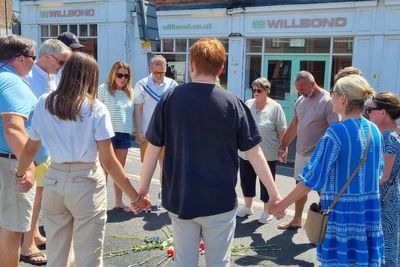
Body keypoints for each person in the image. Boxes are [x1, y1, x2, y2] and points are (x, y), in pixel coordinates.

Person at [137, 38, 283, 267]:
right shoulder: (234, 103)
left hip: (180, 199)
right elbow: (255, 153)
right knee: (218, 262)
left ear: (191, 64)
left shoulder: (170, 99)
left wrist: (143, 190)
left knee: (184, 262)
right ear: (221, 68)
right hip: (220, 202)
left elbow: (153, 149)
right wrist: (274, 196)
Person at [15, 52, 150, 267]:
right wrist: (134, 197)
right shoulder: (95, 108)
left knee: (57, 252)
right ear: (91, 77)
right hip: (86, 181)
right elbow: (109, 160)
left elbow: (31, 146)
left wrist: (21, 173)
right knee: (88, 254)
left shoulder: (45, 102)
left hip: (55, 178)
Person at [269, 74, 385, 266]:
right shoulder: (374, 130)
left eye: (333, 93)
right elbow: (378, 174)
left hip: (342, 216)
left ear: (342, 99)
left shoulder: (335, 134)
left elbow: (309, 180)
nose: (331, 96)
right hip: (368, 214)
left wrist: (280, 206)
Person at [20, 39, 71, 264]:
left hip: (46, 145)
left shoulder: (52, 75)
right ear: (47, 56)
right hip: (34, 144)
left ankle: (34, 235)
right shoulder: (28, 77)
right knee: (34, 195)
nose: (62, 66)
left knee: (40, 193)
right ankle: (26, 244)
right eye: (60, 62)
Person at [277, 70, 340, 230]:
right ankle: (296, 220)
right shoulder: (300, 101)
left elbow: (336, 130)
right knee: (299, 188)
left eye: (302, 88)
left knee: (322, 192)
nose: (300, 92)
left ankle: (327, 228)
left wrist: (328, 156)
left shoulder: (328, 101)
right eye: (298, 89)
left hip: (319, 155)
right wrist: (284, 145)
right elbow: (294, 125)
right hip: (301, 152)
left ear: (312, 84)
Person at [0, 35, 38, 267]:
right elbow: (14, 128)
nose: (34, 62)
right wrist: (29, 167)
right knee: (11, 229)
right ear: (20, 58)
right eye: (33, 57)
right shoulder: (12, 82)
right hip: (9, 163)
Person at [237, 77, 287, 224]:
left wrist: (283, 148)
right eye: (254, 90)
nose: (256, 93)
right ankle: (248, 206)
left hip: (268, 153)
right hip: (246, 152)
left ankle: (267, 210)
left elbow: (282, 130)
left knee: (266, 183)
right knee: (246, 180)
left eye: (259, 90)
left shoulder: (275, 107)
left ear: (267, 91)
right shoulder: (248, 104)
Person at [134, 55, 178, 208]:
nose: (159, 76)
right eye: (156, 72)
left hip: (167, 134)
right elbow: (138, 109)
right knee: (146, 167)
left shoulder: (172, 85)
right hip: (147, 134)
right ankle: (143, 197)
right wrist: (138, 131)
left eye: (162, 72)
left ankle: (162, 195)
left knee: (165, 167)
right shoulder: (141, 84)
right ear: (150, 69)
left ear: (166, 70)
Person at [367, 92, 400, 266]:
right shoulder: (396, 132)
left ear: (383, 112)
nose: (368, 114)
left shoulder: (388, 138)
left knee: (385, 248)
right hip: (391, 198)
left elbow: (382, 176)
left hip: (384, 203)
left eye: (370, 109)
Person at [98, 60, 134, 213]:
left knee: (119, 170)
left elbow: (132, 116)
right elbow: (96, 112)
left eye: (126, 76)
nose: (123, 79)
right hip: (107, 135)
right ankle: (99, 204)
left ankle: (119, 202)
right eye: (120, 75)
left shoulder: (130, 92)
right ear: (113, 74)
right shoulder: (103, 89)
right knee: (103, 170)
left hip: (124, 135)